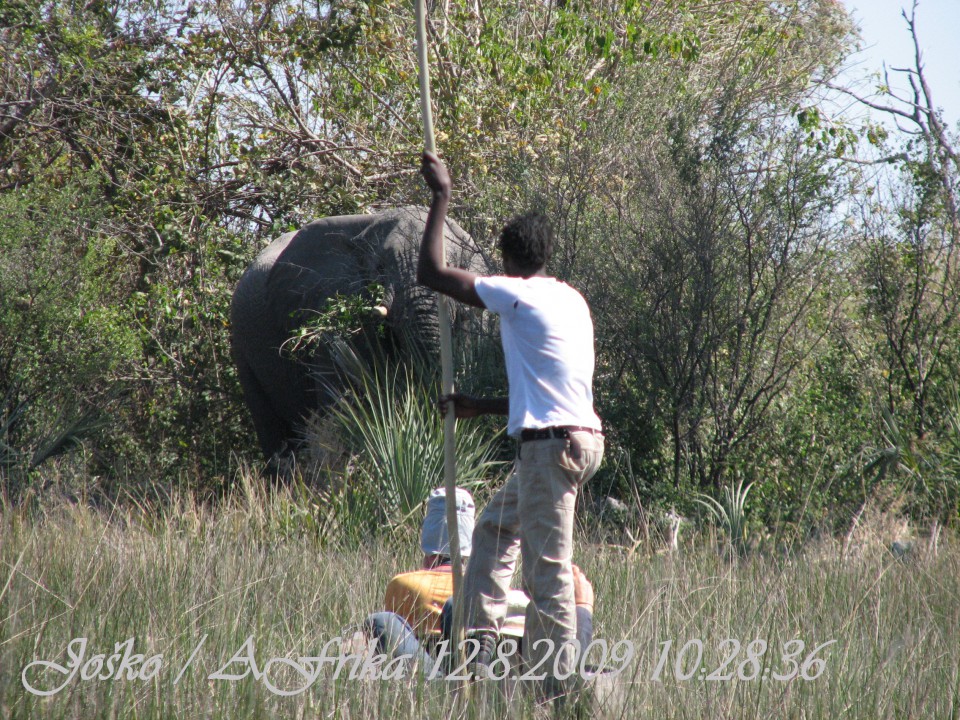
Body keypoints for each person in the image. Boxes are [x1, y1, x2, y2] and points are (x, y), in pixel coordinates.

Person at [416, 152, 605, 697]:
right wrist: (482, 405)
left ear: (505, 260)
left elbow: (430, 274)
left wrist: (441, 195)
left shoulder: (515, 293)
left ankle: (560, 694)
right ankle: (481, 649)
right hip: (570, 440)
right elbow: (553, 391)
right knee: (494, 528)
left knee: (548, 575)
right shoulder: (571, 299)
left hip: (551, 450)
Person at [360, 487, 595, 680]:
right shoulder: (505, 596)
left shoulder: (403, 584)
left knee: (382, 620)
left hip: (438, 674)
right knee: (458, 605)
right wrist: (582, 607)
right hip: (509, 672)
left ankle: (451, 684)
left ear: (428, 554)